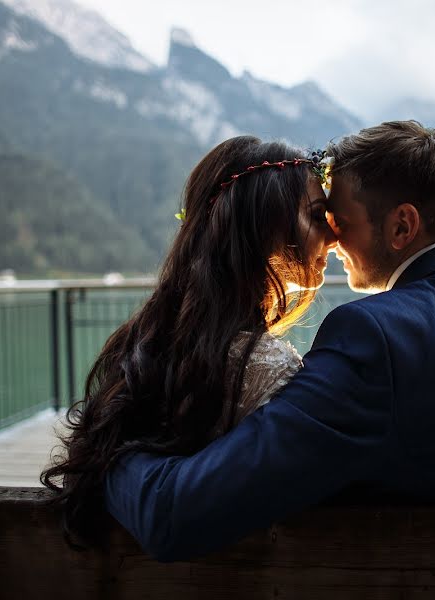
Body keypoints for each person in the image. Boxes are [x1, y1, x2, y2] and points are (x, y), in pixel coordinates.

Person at [104, 121, 435, 562]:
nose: (331, 238)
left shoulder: (375, 338)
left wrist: (107, 443)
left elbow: (174, 515)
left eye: (338, 219)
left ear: (402, 225)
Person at [41, 136, 337, 547]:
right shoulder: (267, 363)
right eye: (317, 215)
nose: (334, 237)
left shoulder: (144, 343)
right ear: (264, 224)